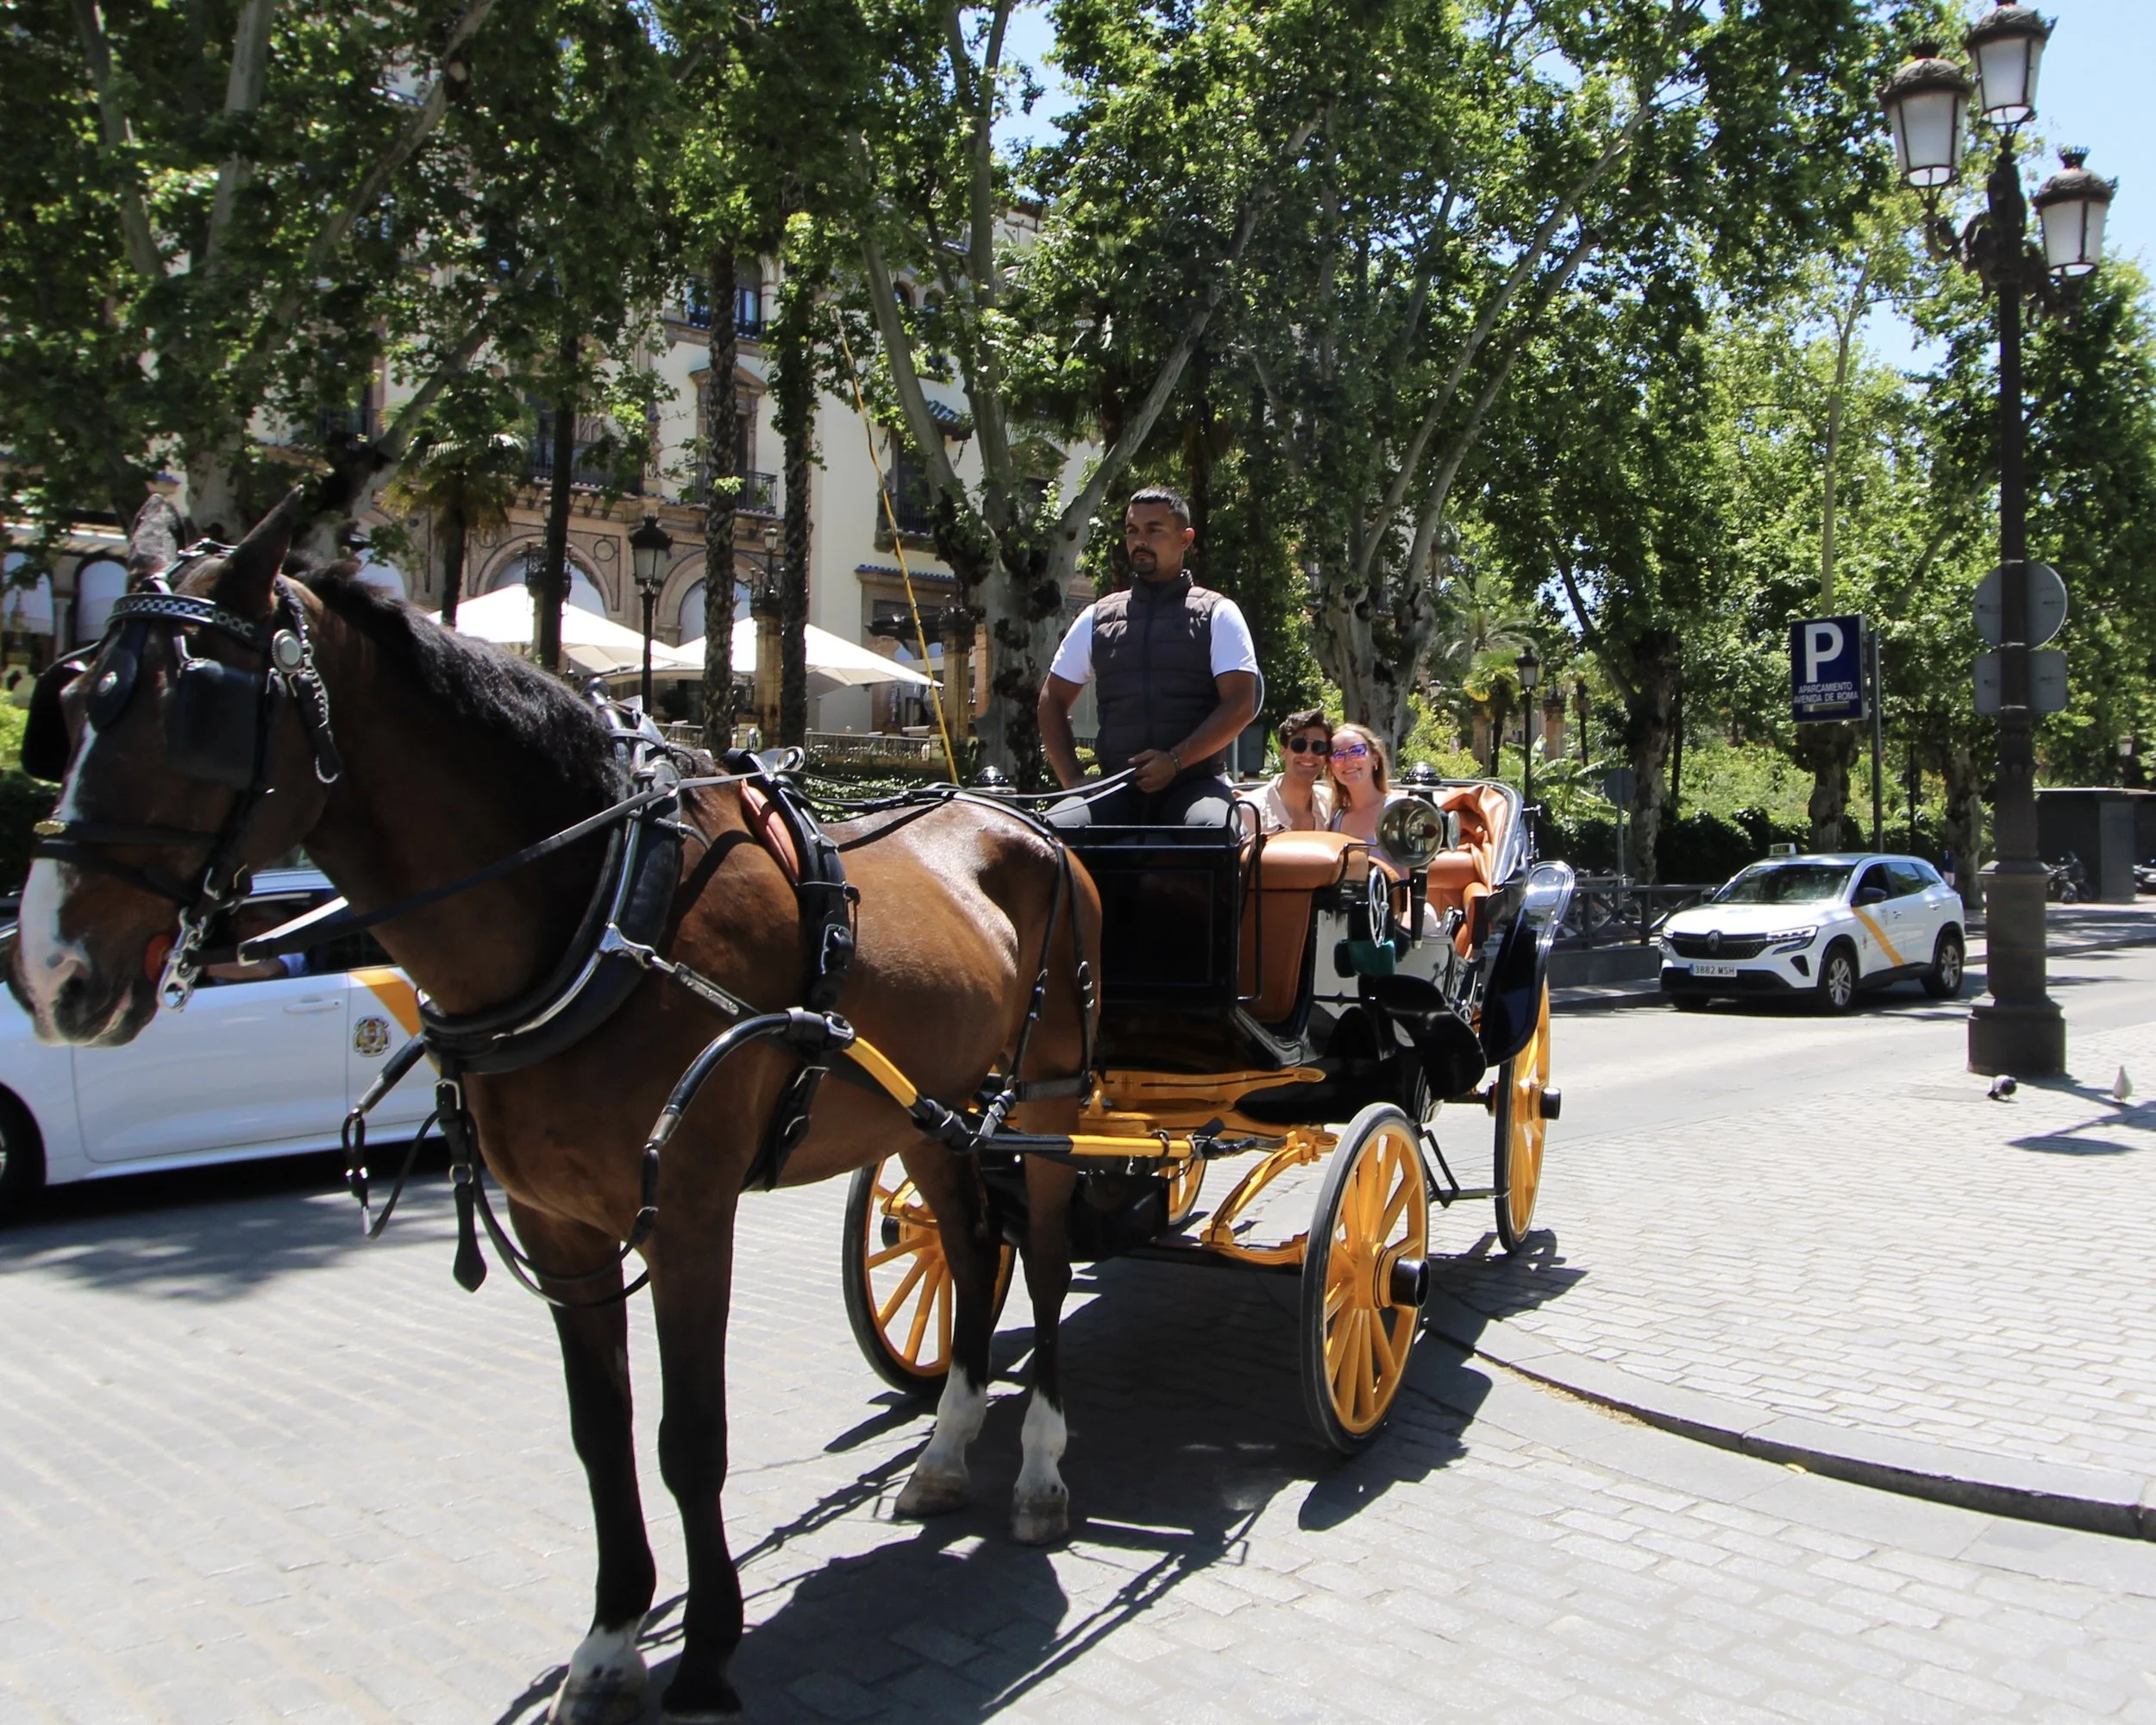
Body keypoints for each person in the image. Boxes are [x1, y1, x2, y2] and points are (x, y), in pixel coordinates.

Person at [1038, 486, 1261, 831]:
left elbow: (1241, 705)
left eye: (1154, 530)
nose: (1140, 540)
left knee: (1215, 832)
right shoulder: (1096, 617)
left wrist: (1175, 761)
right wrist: (1072, 779)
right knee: (1048, 833)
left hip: (1195, 786)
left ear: (1185, 539)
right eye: (1132, 531)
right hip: (1116, 786)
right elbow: (1052, 699)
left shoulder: (1219, 613)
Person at [1255, 709, 1335, 833]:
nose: (1308, 754)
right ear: (1283, 752)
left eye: (1318, 747)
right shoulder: (1251, 810)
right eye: (1299, 745)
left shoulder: (1333, 806)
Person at [1326, 721, 1400, 845]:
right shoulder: (1333, 820)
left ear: (1374, 759)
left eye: (1356, 751)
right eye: (1338, 754)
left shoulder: (1399, 808)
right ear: (1331, 767)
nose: (1348, 761)